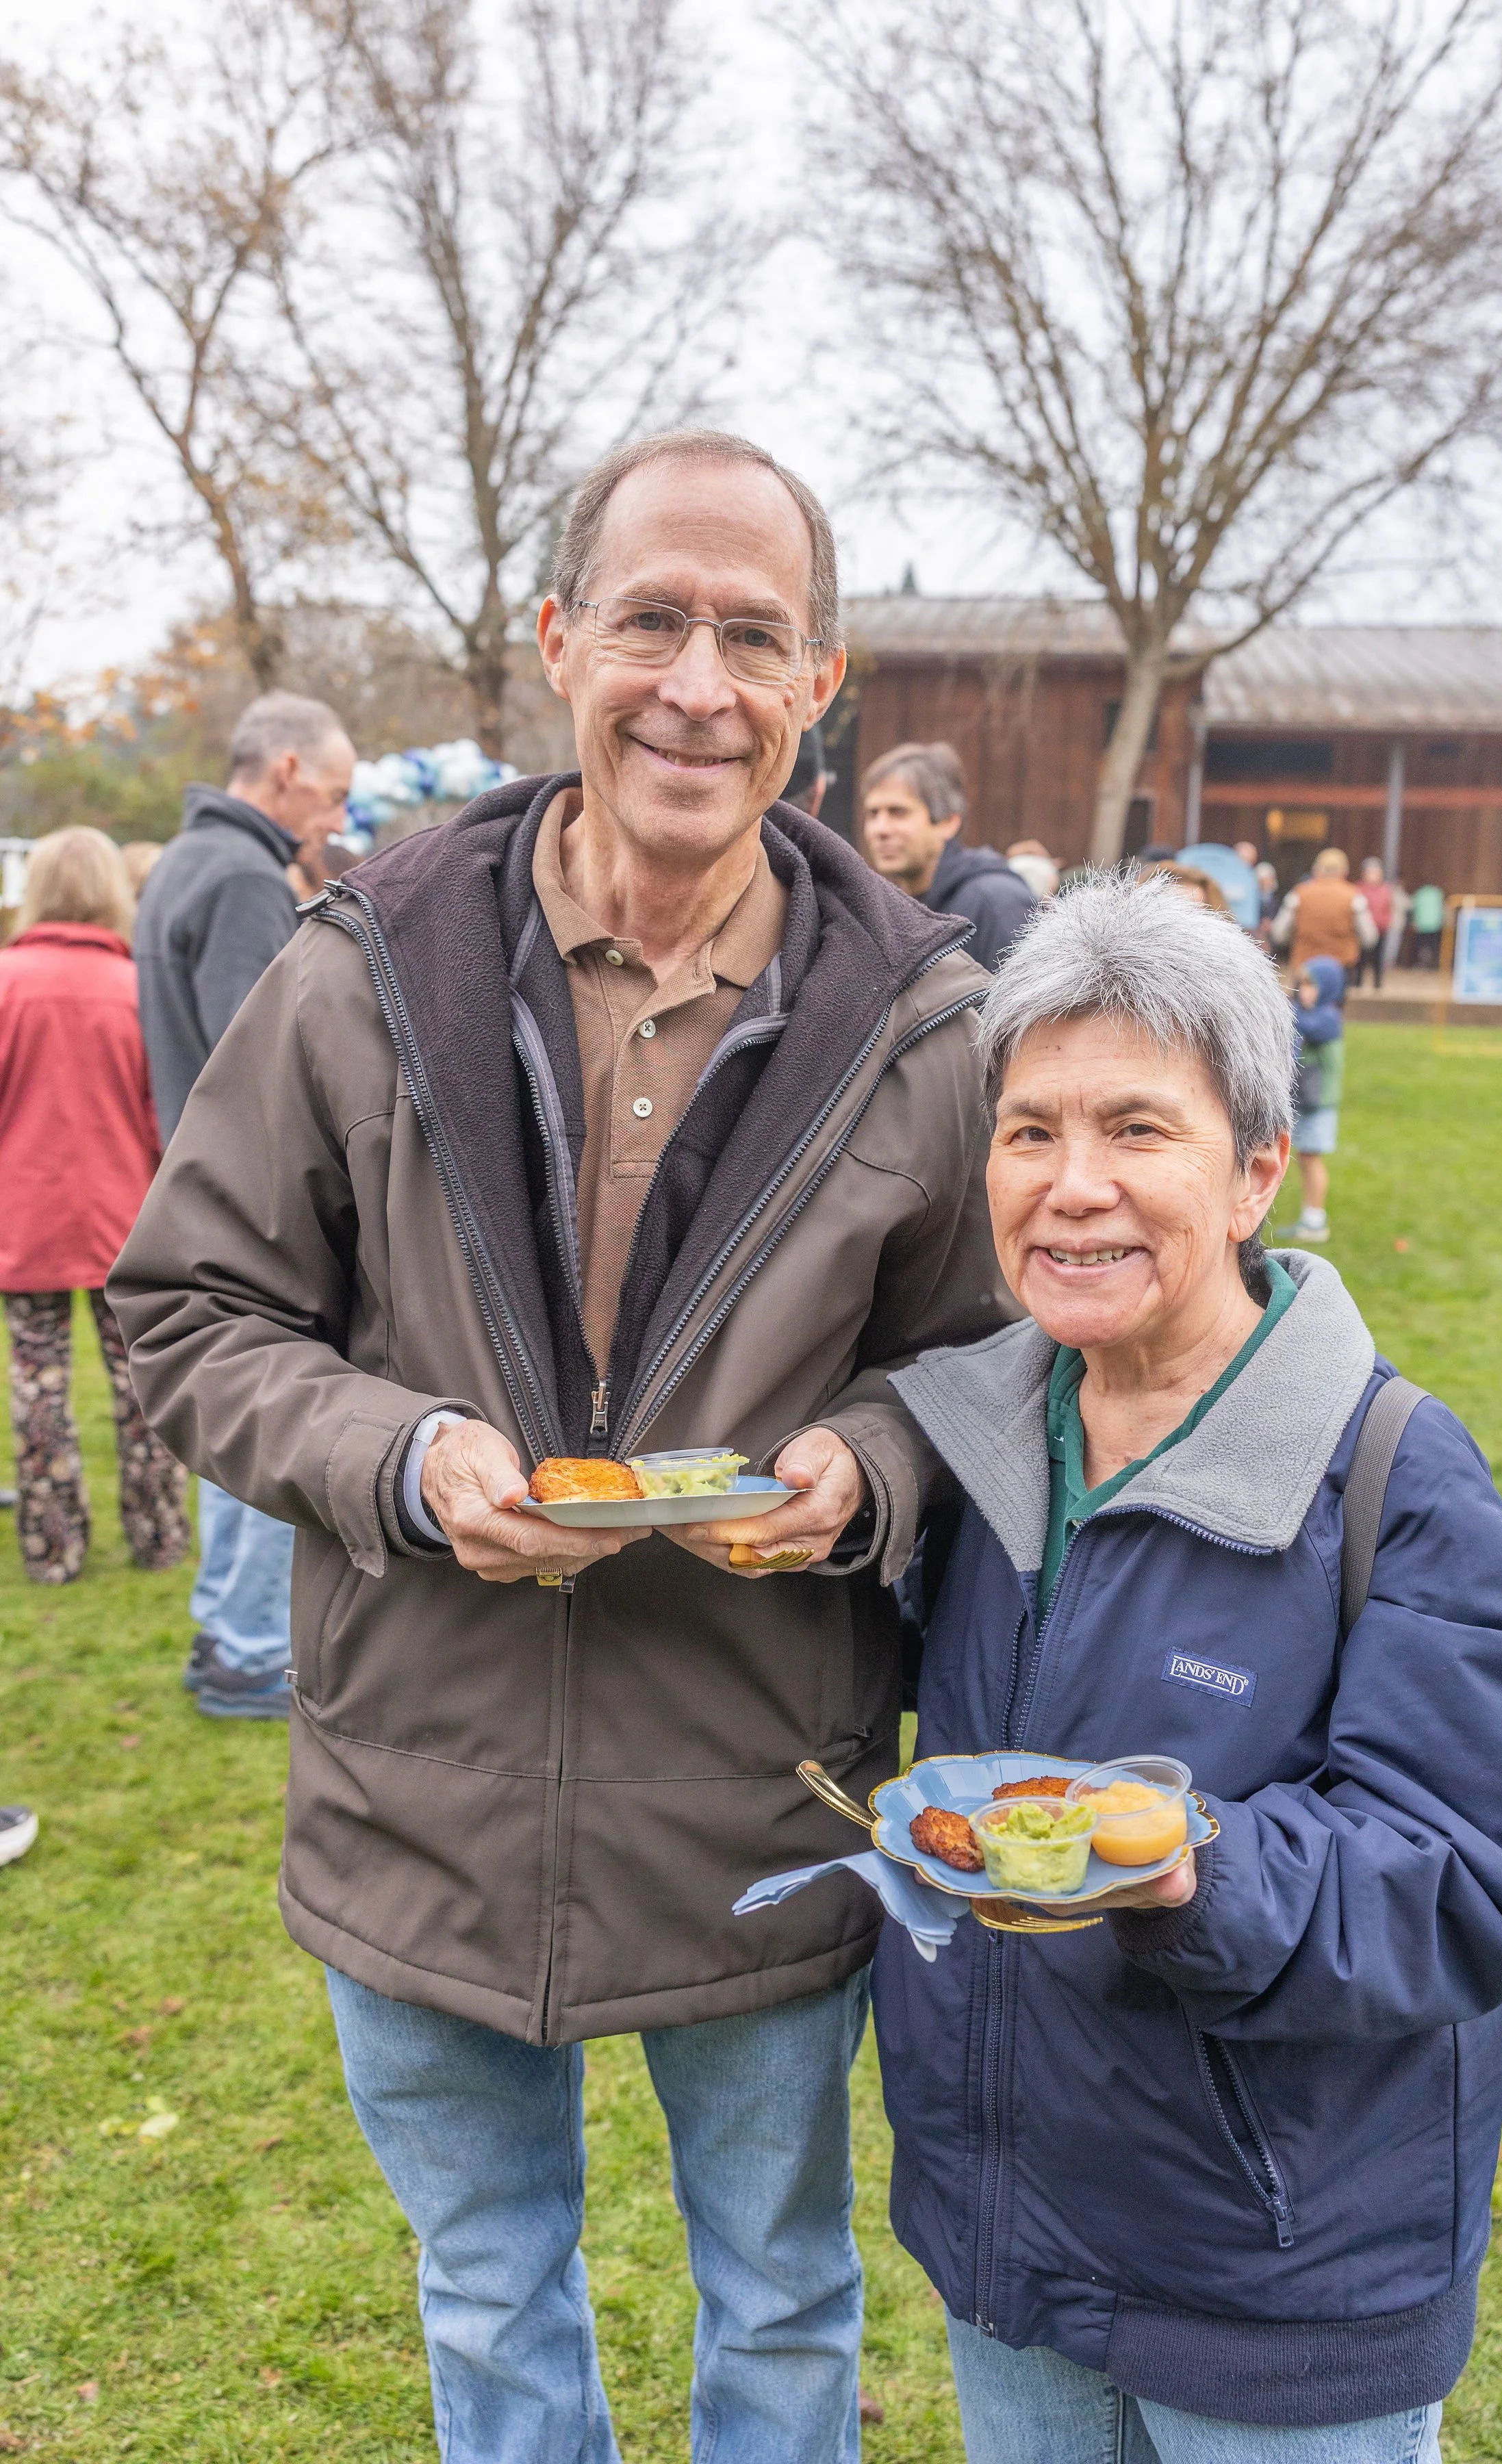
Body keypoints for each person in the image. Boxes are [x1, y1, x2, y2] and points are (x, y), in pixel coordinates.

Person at [110, 426, 1011, 2464]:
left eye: (752, 636)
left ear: (819, 679)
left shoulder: (925, 1031)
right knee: (487, 2290)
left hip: (757, 1809)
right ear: (556, 639)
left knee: (779, 2300)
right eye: (653, 620)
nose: (697, 683)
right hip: (414, 1781)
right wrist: (396, 1460)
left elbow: (988, 1367)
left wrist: (871, 1469)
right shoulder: (361, 972)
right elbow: (189, 1310)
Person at [873, 872, 1502, 2464]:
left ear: (1256, 1170)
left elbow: (1491, 1865)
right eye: (1027, 1131)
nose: (1070, 1188)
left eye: (1136, 1131)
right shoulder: (968, 1446)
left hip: (1277, 2297)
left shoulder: (1387, 1477)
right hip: (1009, 2256)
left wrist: (1187, 1865)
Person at [134, 690, 357, 1718]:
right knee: (269, 1412)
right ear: (286, 774)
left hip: (200, 1176)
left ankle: (229, 1631)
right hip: (255, 1199)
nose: (337, 819)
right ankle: (247, 1643)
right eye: (336, 794)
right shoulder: (238, 877)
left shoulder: (187, 859)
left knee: (235, 1416)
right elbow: (261, 1053)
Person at [0, 828, 189, 1586]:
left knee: (38, 1381)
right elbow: (164, 1114)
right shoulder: (138, 988)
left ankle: (53, 1548)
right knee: (144, 1382)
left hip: (25, 1222)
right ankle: (159, 1533)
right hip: (126, 1221)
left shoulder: (7, 982)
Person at [861, 740, 1039, 970]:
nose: (880, 829)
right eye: (873, 814)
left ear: (948, 822)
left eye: (898, 812)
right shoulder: (893, 907)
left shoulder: (996, 902)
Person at [1275, 954, 1347, 1244]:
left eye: (1312, 985)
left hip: (1319, 1104)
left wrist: (1282, 1006)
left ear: (1328, 988)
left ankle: (1315, 1222)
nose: (1305, 991)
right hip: (1308, 1100)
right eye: (1302, 984)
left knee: (1311, 1158)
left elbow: (1305, 1026)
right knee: (1305, 1157)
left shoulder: (1328, 1017)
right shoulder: (1311, 1013)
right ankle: (1310, 1217)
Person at [1269, 846, 1377, 973]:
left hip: (1305, 966)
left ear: (1317, 869)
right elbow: (1370, 937)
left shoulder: (1299, 894)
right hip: (1341, 966)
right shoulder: (1354, 896)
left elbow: (1279, 933)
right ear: (1345, 871)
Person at [1355, 855, 1394, 988]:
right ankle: (1357, 982)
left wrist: (1386, 923)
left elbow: (1388, 909)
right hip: (1362, 930)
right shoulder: (1358, 889)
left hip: (1380, 929)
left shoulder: (1385, 890)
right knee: (1360, 959)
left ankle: (1378, 983)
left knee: (1379, 958)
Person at [1409, 882, 1446, 968]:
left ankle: (1422, 963)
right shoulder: (1437, 893)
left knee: (1422, 945)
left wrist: (1414, 922)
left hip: (1422, 925)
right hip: (1435, 924)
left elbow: (1415, 909)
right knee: (1433, 945)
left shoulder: (1419, 894)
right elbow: (1441, 909)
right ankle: (1432, 963)